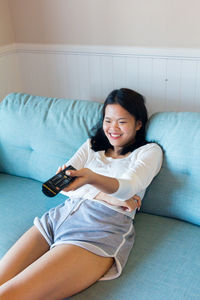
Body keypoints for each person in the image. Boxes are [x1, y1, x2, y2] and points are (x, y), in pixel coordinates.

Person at [0, 88, 163, 300]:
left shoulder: (149, 152)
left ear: (138, 124)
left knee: (8, 294)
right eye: (108, 120)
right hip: (58, 217)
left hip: (98, 230)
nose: (113, 128)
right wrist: (106, 196)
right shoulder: (91, 146)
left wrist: (89, 180)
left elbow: (127, 187)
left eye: (121, 122)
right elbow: (62, 187)